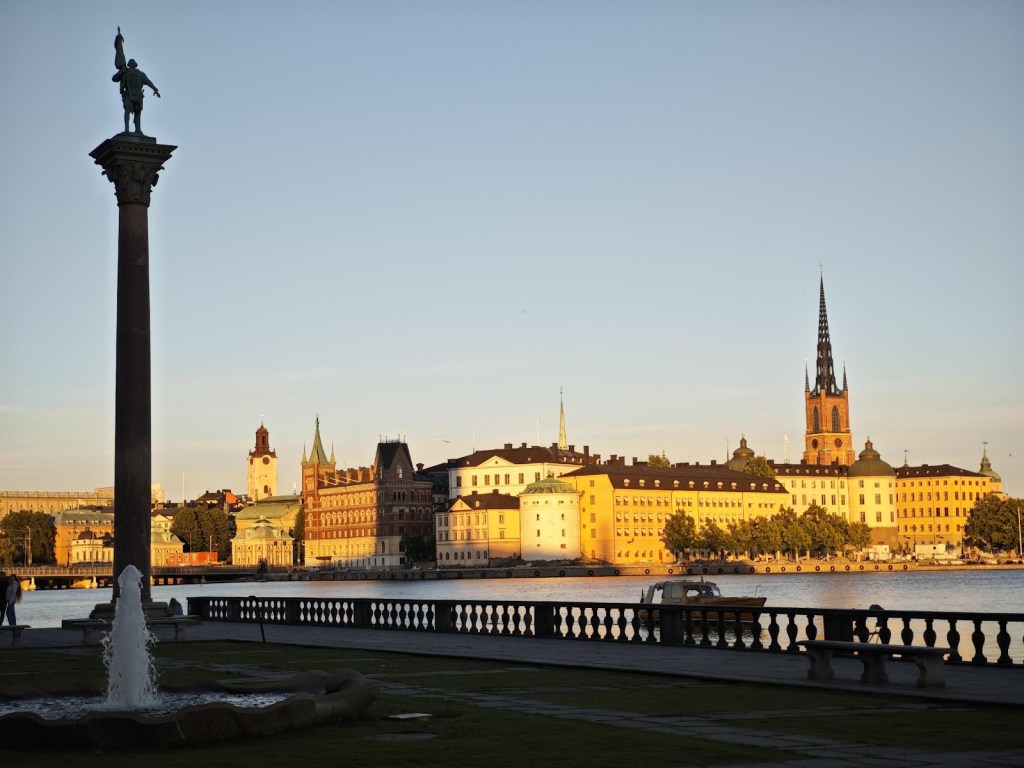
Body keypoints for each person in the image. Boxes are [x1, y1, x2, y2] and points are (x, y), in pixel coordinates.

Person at [111, 30, 160, 135]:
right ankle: (129, 129)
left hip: (135, 95)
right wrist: (155, 89)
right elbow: (114, 78)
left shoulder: (138, 73)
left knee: (135, 113)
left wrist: (155, 89)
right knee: (131, 112)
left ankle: (135, 129)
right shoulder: (128, 72)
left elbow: (148, 82)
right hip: (131, 94)